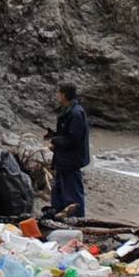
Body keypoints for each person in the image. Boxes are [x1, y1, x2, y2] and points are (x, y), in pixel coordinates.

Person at [47, 83, 90, 219]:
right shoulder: (68, 111)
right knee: (58, 190)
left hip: (71, 160)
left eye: (59, 93)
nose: (57, 96)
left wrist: (55, 140)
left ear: (64, 95)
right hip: (63, 159)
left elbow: (72, 139)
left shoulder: (76, 113)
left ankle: (77, 219)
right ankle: (58, 215)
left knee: (73, 192)